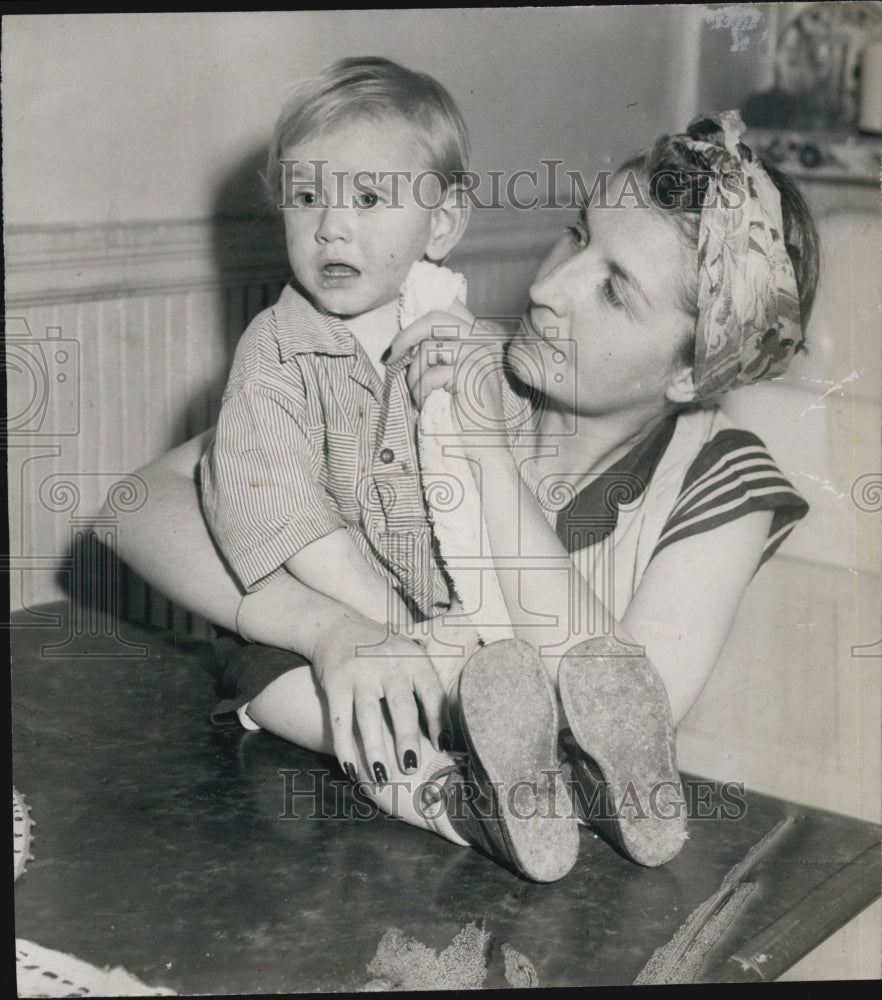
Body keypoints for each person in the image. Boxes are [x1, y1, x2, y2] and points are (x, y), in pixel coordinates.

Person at [110, 111, 819, 883]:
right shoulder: (449, 355)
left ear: (693, 374)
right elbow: (139, 504)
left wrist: (485, 453)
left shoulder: (721, 480)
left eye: (614, 291)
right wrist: (330, 630)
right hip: (342, 831)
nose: (547, 288)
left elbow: (616, 707)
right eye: (579, 236)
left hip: (575, 871)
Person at [198, 56, 474, 787]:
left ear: (439, 225)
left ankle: (520, 760)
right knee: (292, 690)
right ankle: (430, 790)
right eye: (308, 196)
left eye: (371, 199)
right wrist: (397, 627)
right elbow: (287, 518)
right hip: (312, 619)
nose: (331, 228)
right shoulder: (277, 350)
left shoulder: (454, 335)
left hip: (446, 621)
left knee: (508, 672)